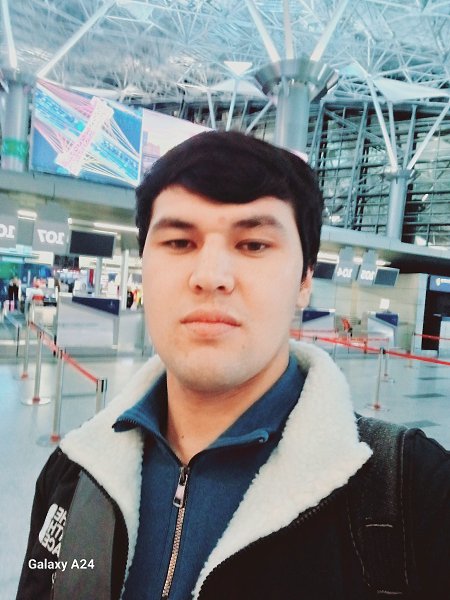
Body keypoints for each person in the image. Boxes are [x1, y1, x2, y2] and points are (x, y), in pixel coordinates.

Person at [17, 131, 449, 600]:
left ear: (305, 280)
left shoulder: (415, 497)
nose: (210, 277)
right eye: (179, 242)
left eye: (254, 245)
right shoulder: (73, 474)